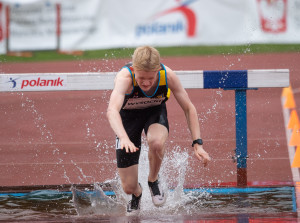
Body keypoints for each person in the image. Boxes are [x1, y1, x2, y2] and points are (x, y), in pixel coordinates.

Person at [106, 46, 211, 213]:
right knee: (128, 187)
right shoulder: (125, 77)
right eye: (141, 78)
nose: (146, 83)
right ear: (134, 70)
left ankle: (153, 180)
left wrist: (198, 143)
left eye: (150, 78)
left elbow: (189, 108)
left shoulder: (167, 75)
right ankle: (138, 194)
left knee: (155, 143)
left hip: (154, 113)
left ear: (157, 70)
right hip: (127, 119)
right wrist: (123, 137)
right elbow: (112, 110)